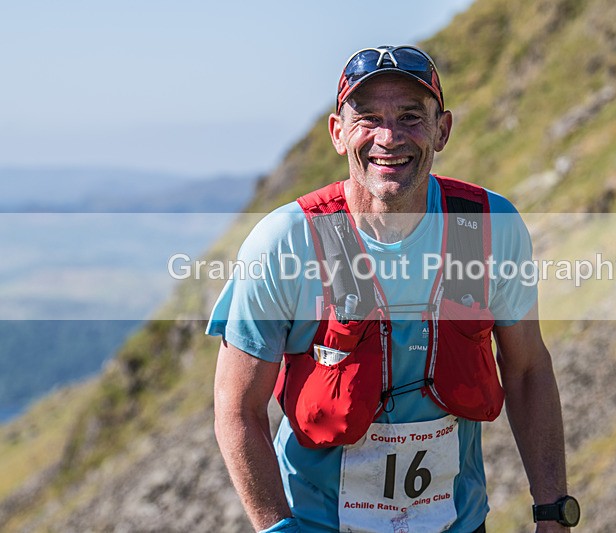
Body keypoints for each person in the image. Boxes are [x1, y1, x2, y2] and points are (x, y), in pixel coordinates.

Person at [209, 45, 576, 532]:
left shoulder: (488, 227)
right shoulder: (286, 241)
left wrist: (553, 512)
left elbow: (528, 369)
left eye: (410, 116)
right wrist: (278, 530)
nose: (389, 137)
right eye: (367, 119)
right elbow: (238, 408)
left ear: (442, 130)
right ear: (338, 134)